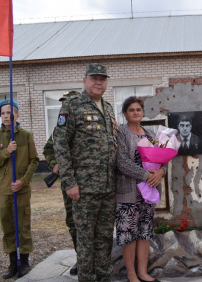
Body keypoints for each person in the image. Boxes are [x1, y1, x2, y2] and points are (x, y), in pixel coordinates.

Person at [53, 63, 118, 282]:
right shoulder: (73, 105)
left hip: (108, 187)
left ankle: (104, 277)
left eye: (103, 79)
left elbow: (111, 143)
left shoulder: (108, 107)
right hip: (84, 187)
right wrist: (70, 182)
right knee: (86, 240)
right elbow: (60, 144)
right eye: (94, 78)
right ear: (84, 81)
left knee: (105, 238)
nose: (99, 82)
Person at [115, 96, 166, 282]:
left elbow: (163, 160)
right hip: (128, 192)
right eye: (131, 110)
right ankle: (131, 274)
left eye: (138, 109)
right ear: (125, 113)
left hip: (148, 193)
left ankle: (143, 273)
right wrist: (146, 175)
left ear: (143, 112)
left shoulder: (151, 135)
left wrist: (161, 171)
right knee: (128, 234)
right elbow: (121, 162)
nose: (136, 112)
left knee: (144, 232)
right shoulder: (120, 133)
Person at [0, 100, 39, 279]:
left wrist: (23, 181)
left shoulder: (26, 135)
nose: (6, 116)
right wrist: (6, 152)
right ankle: (12, 263)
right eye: (3, 113)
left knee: (23, 224)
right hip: (3, 189)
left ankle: (24, 262)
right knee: (7, 224)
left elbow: (34, 160)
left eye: (10, 113)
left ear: (17, 116)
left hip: (21, 189)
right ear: (0, 116)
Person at [42, 90, 80, 275]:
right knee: (72, 221)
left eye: (69, 102)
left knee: (90, 222)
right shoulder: (59, 128)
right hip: (67, 183)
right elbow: (48, 149)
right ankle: (81, 258)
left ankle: (95, 259)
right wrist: (54, 165)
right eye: (63, 103)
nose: (65, 106)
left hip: (89, 182)